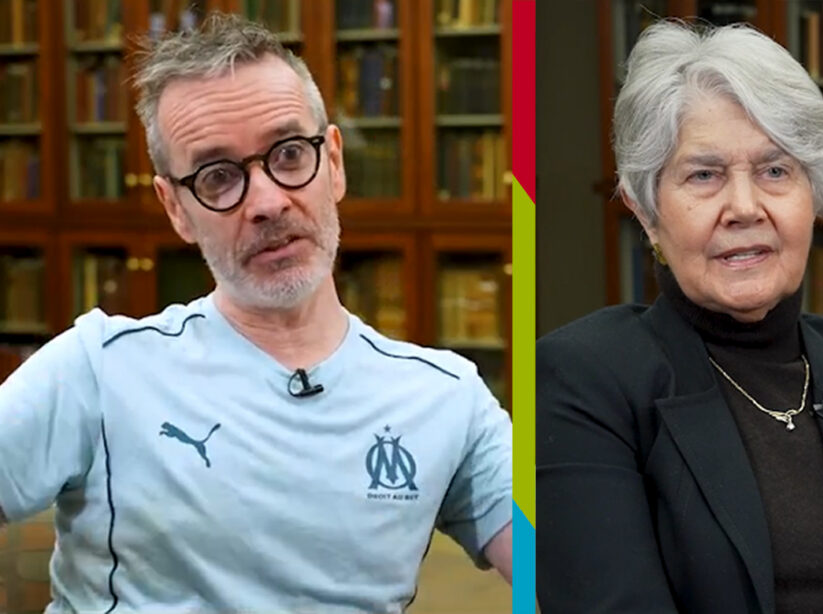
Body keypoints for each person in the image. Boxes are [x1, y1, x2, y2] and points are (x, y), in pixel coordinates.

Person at [0, 13, 512, 613]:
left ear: (335, 162)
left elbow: (566, 573)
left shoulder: (446, 396)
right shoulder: (98, 370)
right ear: (176, 209)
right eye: (218, 177)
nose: (268, 202)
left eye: (290, 154)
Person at [536, 20, 823, 614]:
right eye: (705, 175)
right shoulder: (583, 377)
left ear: (815, 192)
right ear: (647, 212)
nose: (745, 208)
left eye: (776, 171)